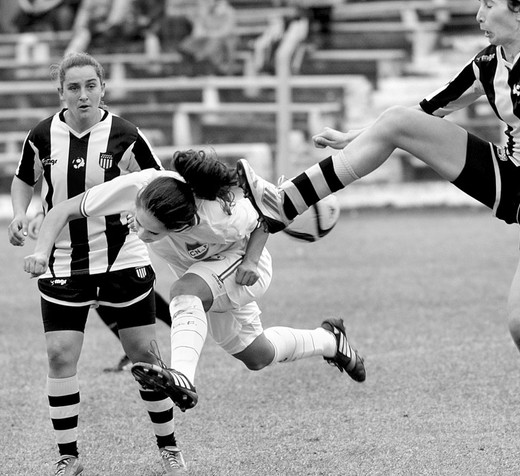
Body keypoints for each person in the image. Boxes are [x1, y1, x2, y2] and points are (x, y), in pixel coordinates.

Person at [235, 1, 520, 474]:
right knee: (400, 121)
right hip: (508, 176)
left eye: (488, 4)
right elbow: (426, 111)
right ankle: (286, 203)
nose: (479, 14)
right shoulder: (487, 64)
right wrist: (359, 137)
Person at [23, 149, 366, 415]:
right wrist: (41, 252)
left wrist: (249, 260)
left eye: (150, 232)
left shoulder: (217, 218)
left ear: (181, 228)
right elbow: (62, 210)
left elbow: (266, 218)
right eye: (138, 221)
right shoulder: (139, 186)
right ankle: (329, 340)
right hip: (207, 276)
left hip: (245, 267)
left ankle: (182, 376)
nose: (138, 232)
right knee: (257, 355)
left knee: (184, 292)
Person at [7, 52, 187, 476]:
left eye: (91, 85)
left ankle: (169, 447)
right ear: (61, 92)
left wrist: (148, 226)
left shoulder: (126, 135)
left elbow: (159, 188)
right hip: (64, 261)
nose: (83, 94)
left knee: (144, 353)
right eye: (74, 87)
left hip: (123, 258)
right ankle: (68, 457)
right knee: (59, 355)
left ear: (103, 88)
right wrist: (19, 213)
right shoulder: (42, 135)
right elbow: (23, 179)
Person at [27, 210, 173, 373]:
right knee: (100, 301)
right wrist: (42, 212)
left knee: (131, 294)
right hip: (77, 248)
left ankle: (178, 330)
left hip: (117, 242)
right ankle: (136, 350)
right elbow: (59, 189)